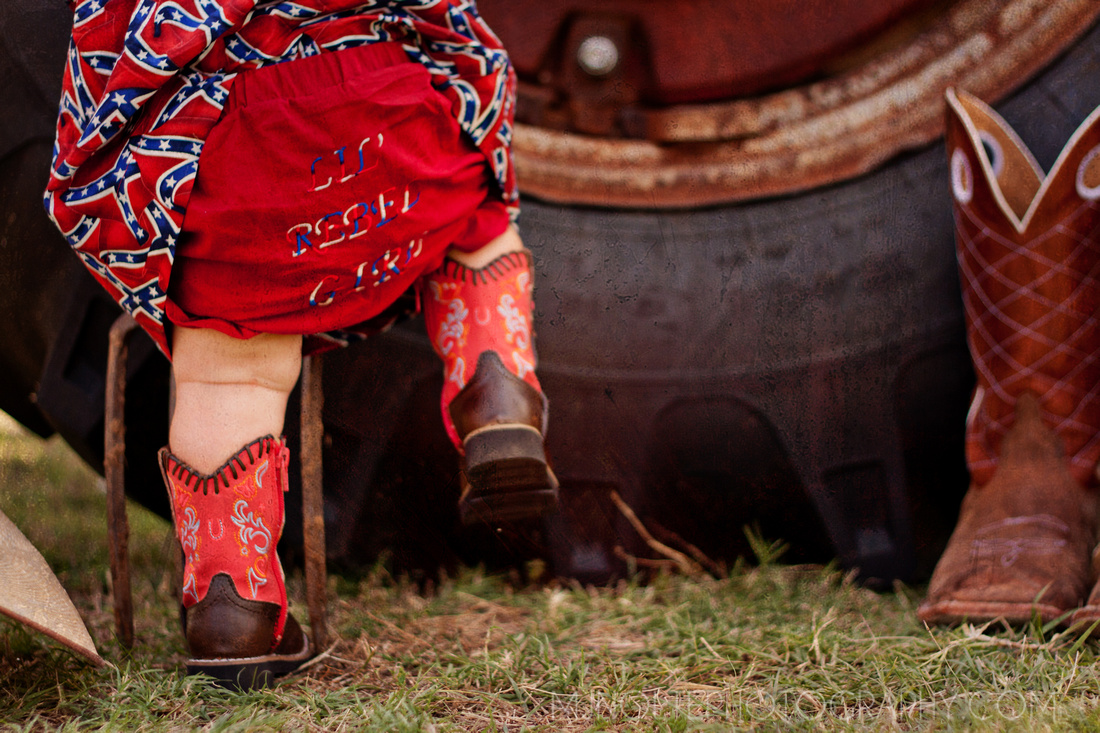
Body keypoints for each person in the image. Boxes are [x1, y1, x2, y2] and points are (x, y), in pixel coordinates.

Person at [45, 0, 558, 689]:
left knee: (232, 377)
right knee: (479, 216)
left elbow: (111, 63)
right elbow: (450, 28)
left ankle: (234, 608)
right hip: (385, 115)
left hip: (243, 154)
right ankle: (498, 401)